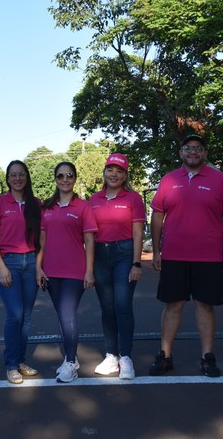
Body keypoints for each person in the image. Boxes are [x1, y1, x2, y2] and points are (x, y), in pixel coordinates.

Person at [149, 132, 223, 378]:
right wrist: (157, 250)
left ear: (205, 153)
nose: (193, 152)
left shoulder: (219, 179)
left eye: (198, 148)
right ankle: (165, 355)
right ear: (181, 152)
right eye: (188, 147)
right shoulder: (168, 180)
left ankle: (207, 357)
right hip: (174, 256)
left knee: (205, 305)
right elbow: (157, 216)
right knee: (173, 305)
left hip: (209, 256)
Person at [36, 161, 98, 383]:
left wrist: (89, 271)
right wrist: (38, 268)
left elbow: (90, 242)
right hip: (51, 271)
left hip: (75, 271)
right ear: (55, 179)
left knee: (67, 314)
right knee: (62, 317)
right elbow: (41, 241)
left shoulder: (84, 207)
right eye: (60, 176)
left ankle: (71, 361)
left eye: (69, 175)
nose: (65, 179)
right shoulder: (47, 207)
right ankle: (70, 358)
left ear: (74, 178)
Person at [88, 153, 145, 380]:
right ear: (104, 173)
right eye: (110, 170)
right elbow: (88, 235)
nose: (114, 174)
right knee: (107, 308)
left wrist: (137, 263)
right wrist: (89, 266)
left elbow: (138, 232)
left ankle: (126, 357)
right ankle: (111, 355)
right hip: (101, 254)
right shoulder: (93, 199)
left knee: (122, 306)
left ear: (125, 175)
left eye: (119, 171)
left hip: (124, 254)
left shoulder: (133, 199)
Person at [0, 160, 42, 384]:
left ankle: (20, 360)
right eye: (13, 175)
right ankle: (10, 364)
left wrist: (39, 266)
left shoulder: (35, 204)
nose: (17, 178)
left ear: (27, 177)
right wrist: (1, 267)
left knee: (26, 317)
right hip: (9, 263)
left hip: (31, 262)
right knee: (15, 314)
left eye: (21, 174)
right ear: (7, 179)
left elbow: (41, 239)